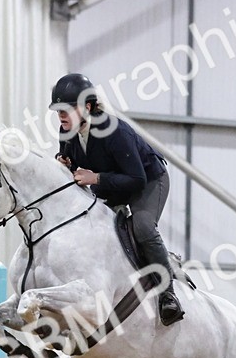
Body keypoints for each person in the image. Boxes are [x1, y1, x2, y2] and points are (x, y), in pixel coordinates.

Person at [49, 73, 185, 326]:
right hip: (113, 183)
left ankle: (168, 296)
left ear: (88, 107)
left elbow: (137, 179)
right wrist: (64, 161)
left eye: (67, 109)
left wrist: (96, 178)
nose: (61, 116)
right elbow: (70, 157)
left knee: (142, 226)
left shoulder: (115, 131)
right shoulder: (66, 131)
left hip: (148, 180)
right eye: (58, 111)